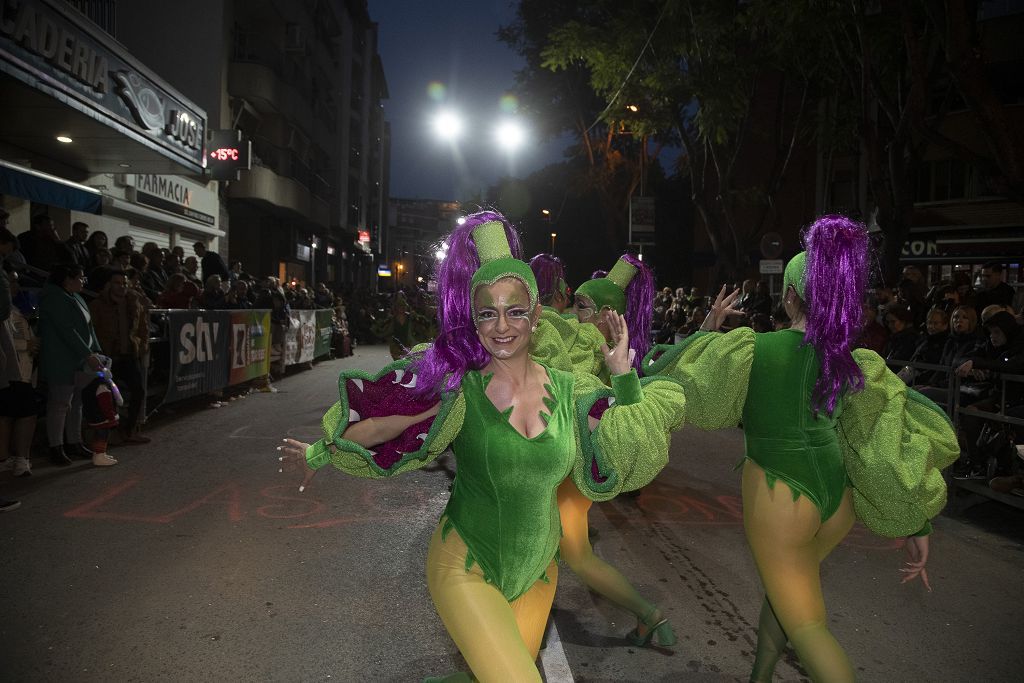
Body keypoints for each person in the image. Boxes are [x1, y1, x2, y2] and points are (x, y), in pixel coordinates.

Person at [277, 211, 685, 681]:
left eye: (515, 311)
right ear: (473, 320)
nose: (501, 326)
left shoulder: (574, 391)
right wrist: (320, 452)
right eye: (487, 313)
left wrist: (623, 376)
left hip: (538, 572)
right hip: (465, 562)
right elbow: (380, 427)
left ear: (536, 315)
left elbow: (634, 447)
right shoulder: (460, 390)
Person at [643, 215, 958, 682]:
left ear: (790, 296)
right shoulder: (855, 363)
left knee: (807, 624)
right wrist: (916, 519)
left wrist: (709, 324)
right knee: (788, 593)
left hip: (781, 496)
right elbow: (881, 442)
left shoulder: (753, 348)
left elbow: (673, 377)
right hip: (836, 499)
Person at [556, 253, 677, 646]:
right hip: (560, 467)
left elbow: (629, 419)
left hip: (571, 471)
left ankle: (648, 613)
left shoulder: (615, 357)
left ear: (607, 314)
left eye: (581, 306)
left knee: (574, 555)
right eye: (574, 302)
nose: (573, 312)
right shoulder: (584, 344)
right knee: (563, 553)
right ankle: (650, 616)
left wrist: (619, 372)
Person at [38, 264, 110, 466]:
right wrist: (88, 354)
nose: (83, 281)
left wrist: (96, 350)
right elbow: (67, 330)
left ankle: (74, 441)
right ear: (67, 279)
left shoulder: (76, 297)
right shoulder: (54, 297)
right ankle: (56, 446)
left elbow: (89, 327)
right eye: (81, 278)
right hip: (61, 356)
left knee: (77, 402)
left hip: (81, 357)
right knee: (60, 403)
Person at [88, 268, 151, 445]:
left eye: (124, 283)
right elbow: (91, 329)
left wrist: (142, 345)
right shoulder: (98, 305)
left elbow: (143, 327)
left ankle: (130, 430)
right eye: (117, 283)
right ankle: (112, 434)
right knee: (108, 395)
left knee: (138, 391)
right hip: (107, 357)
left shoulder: (133, 302)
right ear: (108, 285)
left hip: (129, 355)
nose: (121, 286)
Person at [0, 229, 37, 479]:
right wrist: (30, 345)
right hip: (13, 370)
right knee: (21, 413)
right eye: (11, 281)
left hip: (18, 370)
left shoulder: (16, 308)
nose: (14, 285)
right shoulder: (7, 310)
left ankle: (8, 458)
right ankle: (17, 458)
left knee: (8, 415)